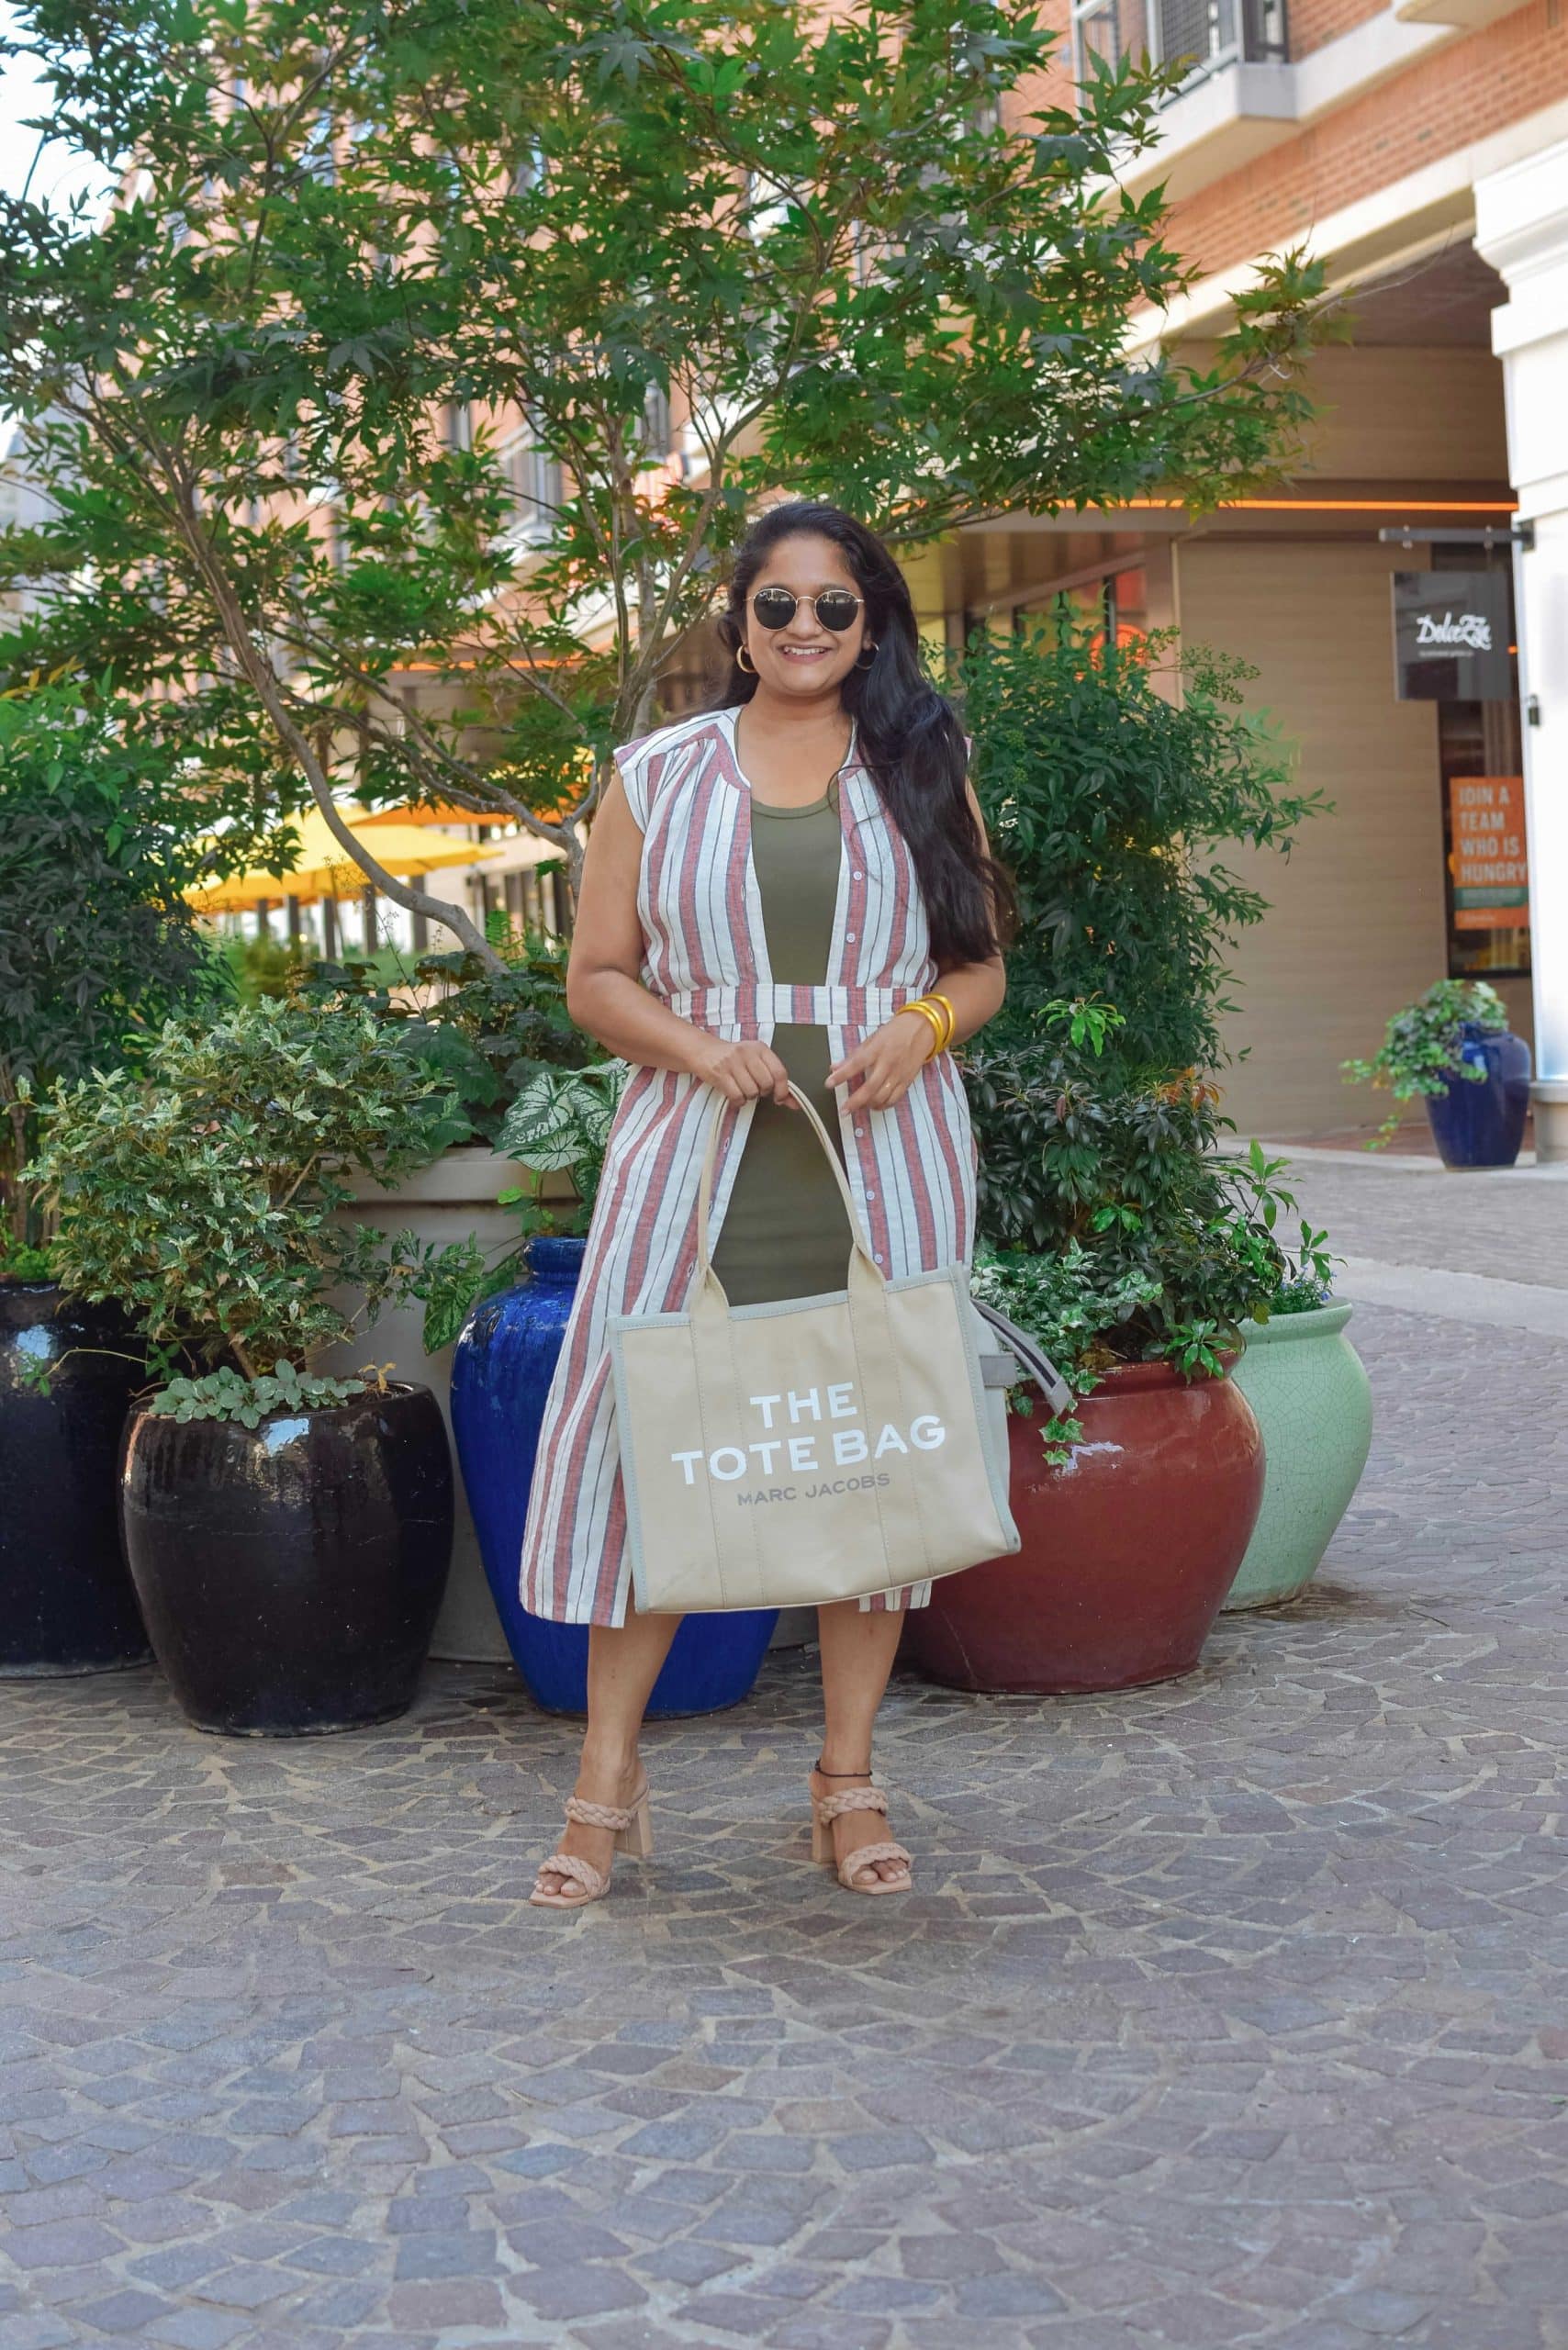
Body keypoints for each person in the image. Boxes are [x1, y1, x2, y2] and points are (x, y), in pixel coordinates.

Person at [519, 498, 1018, 1908]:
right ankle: (608, 1779)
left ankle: (845, 1782)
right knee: (662, 1443)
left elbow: (978, 963)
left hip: (881, 1150)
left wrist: (923, 1023)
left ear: (874, 625)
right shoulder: (655, 775)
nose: (806, 628)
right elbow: (598, 976)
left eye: (836, 606)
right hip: (699, 1151)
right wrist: (700, 1045)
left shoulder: (924, 758)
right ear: (735, 621)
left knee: (876, 1451)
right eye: (778, 604)